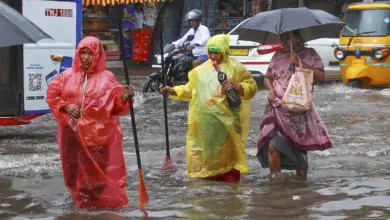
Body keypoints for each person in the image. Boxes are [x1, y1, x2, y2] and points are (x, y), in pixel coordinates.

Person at [46, 36, 134, 209]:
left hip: (98, 140)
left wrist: (123, 98)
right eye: (83, 53)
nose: (86, 57)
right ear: (78, 54)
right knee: (75, 176)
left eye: (90, 54)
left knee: (97, 179)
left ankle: (95, 209)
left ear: (98, 56)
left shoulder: (107, 78)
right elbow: (52, 97)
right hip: (72, 138)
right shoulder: (66, 77)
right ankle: (83, 206)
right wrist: (66, 106)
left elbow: (115, 106)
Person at [161, 34, 257, 182]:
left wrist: (237, 86)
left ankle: (228, 195)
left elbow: (252, 87)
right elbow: (189, 90)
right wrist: (173, 91)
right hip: (203, 124)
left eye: (216, 52)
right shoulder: (199, 72)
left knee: (227, 159)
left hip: (227, 124)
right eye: (210, 52)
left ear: (224, 52)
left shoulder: (236, 68)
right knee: (204, 157)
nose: (213, 56)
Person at [257, 30, 332, 178]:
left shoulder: (310, 54)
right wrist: (271, 90)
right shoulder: (277, 55)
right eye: (281, 39)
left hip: (298, 110)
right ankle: (275, 183)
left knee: (298, 150)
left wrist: (300, 63)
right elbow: (268, 77)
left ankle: (301, 186)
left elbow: (321, 76)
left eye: (287, 39)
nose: (283, 43)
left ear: (298, 39)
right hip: (277, 107)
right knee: (272, 147)